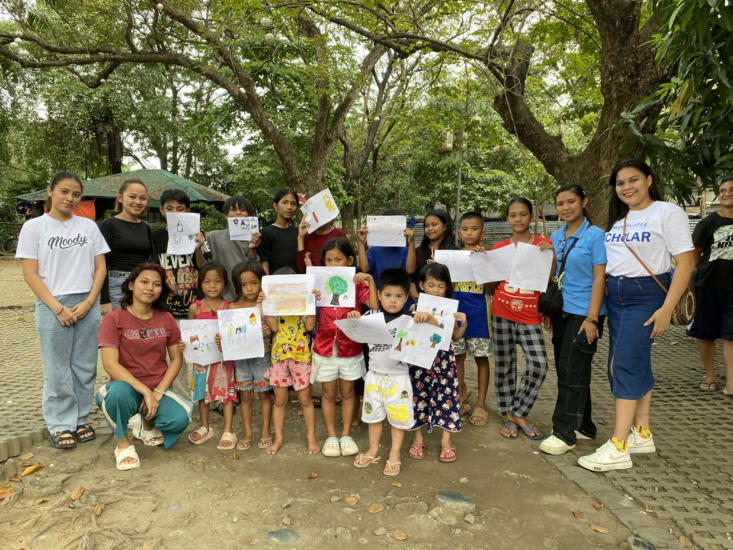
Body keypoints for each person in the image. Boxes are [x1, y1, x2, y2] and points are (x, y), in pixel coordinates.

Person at [578, 159, 695, 472]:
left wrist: (666, 309)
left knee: (622, 364)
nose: (627, 187)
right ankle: (641, 433)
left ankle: (618, 447)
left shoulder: (667, 212)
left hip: (647, 295)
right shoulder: (620, 218)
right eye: (620, 183)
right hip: (617, 296)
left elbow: (686, 263)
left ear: (649, 180)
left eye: (634, 180)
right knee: (634, 361)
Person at [16, 171, 109, 449]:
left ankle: (79, 419)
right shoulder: (34, 227)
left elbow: (100, 268)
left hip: (86, 301)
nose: (70, 198)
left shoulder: (88, 227)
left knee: (85, 365)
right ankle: (60, 424)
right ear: (50, 191)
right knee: (57, 367)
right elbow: (30, 274)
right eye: (64, 192)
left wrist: (90, 302)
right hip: (52, 302)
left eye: (76, 194)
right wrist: (57, 308)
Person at [96, 264, 193, 470]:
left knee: (181, 416)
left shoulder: (166, 318)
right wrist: (145, 392)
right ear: (131, 285)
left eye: (157, 284)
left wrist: (158, 392)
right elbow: (110, 365)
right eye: (144, 282)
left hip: (157, 386)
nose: (150, 288)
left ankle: (146, 425)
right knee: (117, 395)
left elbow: (176, 359)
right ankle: (122, 444)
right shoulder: (113, 319)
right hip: (125, 387)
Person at [539, 185, 607, 456]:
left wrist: (592, 318)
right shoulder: (557, 236)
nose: (565, 208)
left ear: (584, 202)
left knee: (571, 371)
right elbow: (555, 275)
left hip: (585, 313)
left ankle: (564, 433)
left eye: (571, 202)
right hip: (562, 310)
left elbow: (600, 278)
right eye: (560, 203)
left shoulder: (595, 235)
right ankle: (584, 426)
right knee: (569, 369)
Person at [487, 197, 553, 441]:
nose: (518, 219)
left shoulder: (542, 245)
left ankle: (518, 411)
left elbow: (549, 281)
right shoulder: (500, 248)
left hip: (530, 315)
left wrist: (551, 256)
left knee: (539, 364)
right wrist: (485, 263)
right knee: (504, 365)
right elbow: (491, 286)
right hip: (501, 312)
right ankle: (508, 414)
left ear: (531, 217)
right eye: (513, 215)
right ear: (507, 219)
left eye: (523, 214)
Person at [352, 268, 426, 476]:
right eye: (387, 295)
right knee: (373, 416)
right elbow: (354, 332)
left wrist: (426, 317)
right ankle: (373, 450)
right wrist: (354, 318)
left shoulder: (411, 319)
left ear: (407, 296)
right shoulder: (370, 316)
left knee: (398, 418)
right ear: (378, 294)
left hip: (398, 378)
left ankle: (394, 454)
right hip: (374, 376)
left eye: (399, 296)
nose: (393, 300)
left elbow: (434, 331)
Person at [311, 238, 379, 457]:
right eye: (328, 260)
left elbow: (374, 304)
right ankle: (332, 436)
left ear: (350, 260)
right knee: (328, 393)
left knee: (349, 393)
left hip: (350, 347)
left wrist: (369, 279)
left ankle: (346, 434)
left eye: (338, 259)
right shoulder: (318, 283)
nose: (333, 264)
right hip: (324, 347)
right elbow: (308, 314)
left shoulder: (357, 283)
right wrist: (311, 298)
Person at [153, 188, 210, 396]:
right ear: (162, 211)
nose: (175, 212)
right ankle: (181, 398)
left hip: (195, 305)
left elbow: (205, 268)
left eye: (180, 208)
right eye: (170, 208)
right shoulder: (156, 237)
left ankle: (208, 397)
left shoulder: (198, 234)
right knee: (174, 356)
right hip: (168, 306)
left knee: (203, 352)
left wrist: (198, 248)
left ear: (187, 211)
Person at [408, 263, 467, 463]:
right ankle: (417, 438)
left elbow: (455, 338)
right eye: (431, 285)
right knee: (417, 396)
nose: (435, 290)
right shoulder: (415, 307)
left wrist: (463, 324)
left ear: (447, 287)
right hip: (419, 361)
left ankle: (446, 441)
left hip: (443, 361)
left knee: (446, 396)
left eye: (441, 286)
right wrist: (417, 317)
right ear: (421, 285)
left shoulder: (450, 309)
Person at [262, 267, 320, 455]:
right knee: (279, 400)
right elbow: (274, 328)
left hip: (301, 359)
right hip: (279, 358)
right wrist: (267, 305)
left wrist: (311, 303)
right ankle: (278, 438)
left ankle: (311, 437)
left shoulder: (303, 307)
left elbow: (310, 326)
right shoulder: (274, 307)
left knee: (305, 399)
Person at [183, 263, 238, 450]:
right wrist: (185, 344)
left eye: (217, 281)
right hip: (201, 361)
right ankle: (205, 427)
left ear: (225, 284)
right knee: (202, 392)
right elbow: (190, 335)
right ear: (200, 284)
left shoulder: (229, 307)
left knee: (226, 394)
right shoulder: (195, 308)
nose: (212, 286)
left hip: (223, 360)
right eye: (207, 281)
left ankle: (228, 430)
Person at [687, 177, 733, 396]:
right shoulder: (708, 223)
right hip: (708, 286)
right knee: (705, 333)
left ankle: (731, 383)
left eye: (731, 189)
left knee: (732, 335)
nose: (726, 193)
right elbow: (693, 256)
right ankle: (710, 374)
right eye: (722, 190)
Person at [229, 260, 274, 451]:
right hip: (240, 358)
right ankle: (247, 432)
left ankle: (266, 430)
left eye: (254, 283)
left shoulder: (266, 304)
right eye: (244, 284)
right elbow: (227, 333)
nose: (249, 288)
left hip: (263, 354)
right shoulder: (231, 307)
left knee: (264, 394)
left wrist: (269, 330)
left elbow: (276, 327)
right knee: (245, 395)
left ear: (262, 282)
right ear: (237, 285)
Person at [453, 212, 492, 424]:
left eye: (474, 229)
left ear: (482, 234)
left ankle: (481, 405)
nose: (469, 233)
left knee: (481, 359)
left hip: (480, 317)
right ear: (459, 233)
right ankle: (459, 398)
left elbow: (492, 289)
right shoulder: (452, 257)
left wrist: (483, 262)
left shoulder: (487, 256)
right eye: (465, 229)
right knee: (457, 358)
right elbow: (447, 287)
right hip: (456, 316)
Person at [99, 178, 156, 313]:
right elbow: (100, 265)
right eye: (132, 196)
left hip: (142, 285)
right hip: (117, 286)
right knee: (122, 324)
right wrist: (104, 299)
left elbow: (152, 259)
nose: (138, 202)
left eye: (142, 198)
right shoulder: (108, 225)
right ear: (120, 198)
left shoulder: (145, 227)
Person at [205, 195, 260, 301]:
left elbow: (255, 267)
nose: (238, 213)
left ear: (249, 215)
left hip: (247, 295)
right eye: (233, 210)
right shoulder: (213, 237)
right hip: (222, 297)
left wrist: (252, 248)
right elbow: (205, 264)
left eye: (243, 210)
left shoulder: (255, 237)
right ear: (226, 215)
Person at [356, 208, 417, 295]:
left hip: (402, 299)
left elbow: (410, 270)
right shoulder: (373, 250)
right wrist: (361, 243)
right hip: (380, 298)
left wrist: (411, 242)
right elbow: (364, 269)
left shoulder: (406, 251)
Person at [410, 209, 458, 302]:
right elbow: (411, 277)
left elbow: (456, 282)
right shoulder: (418, 251)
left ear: (445, 226)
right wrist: (418, 299)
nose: (430, 228)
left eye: (434, 224)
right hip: (422, 303)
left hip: (445, 303)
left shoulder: (454, 252)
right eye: (427, 226)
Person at [258, 188, 299, 275]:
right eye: (285, 202)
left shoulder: (299, 233)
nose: (289, 207)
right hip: (275, 281)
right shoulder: (265, 233)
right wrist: (267, 282)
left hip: (298, 281)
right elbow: (264, 263)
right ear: (275, 205)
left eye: (293, 204)